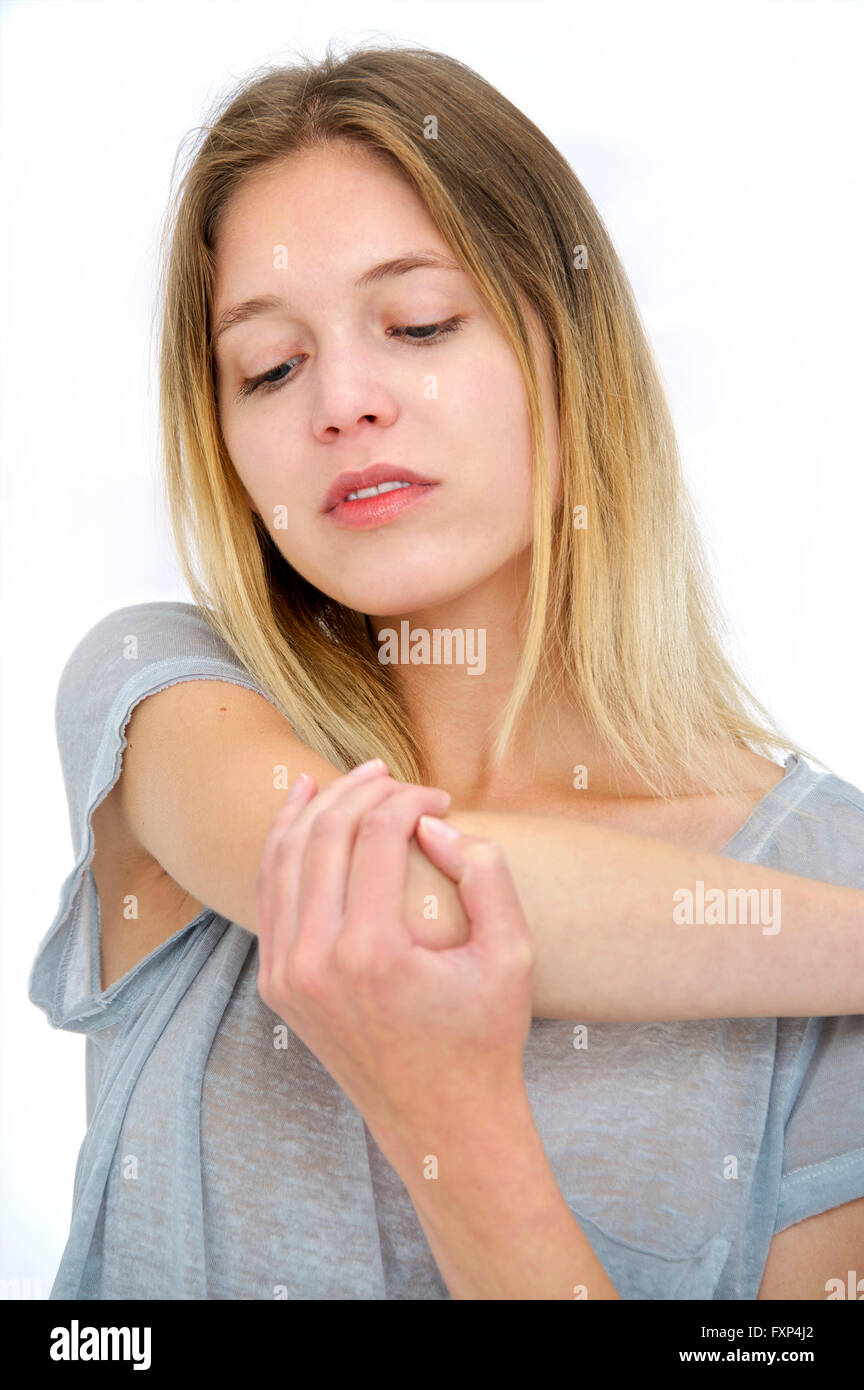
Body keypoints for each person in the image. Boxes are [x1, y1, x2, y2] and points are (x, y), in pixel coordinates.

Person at [29, 42, 864, 1300]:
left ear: (565, 347)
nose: (343, 401)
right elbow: (401, 893)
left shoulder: (826, 874)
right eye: (269, 366)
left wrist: (460, 1134)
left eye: (417, 322)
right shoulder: (163, 693)